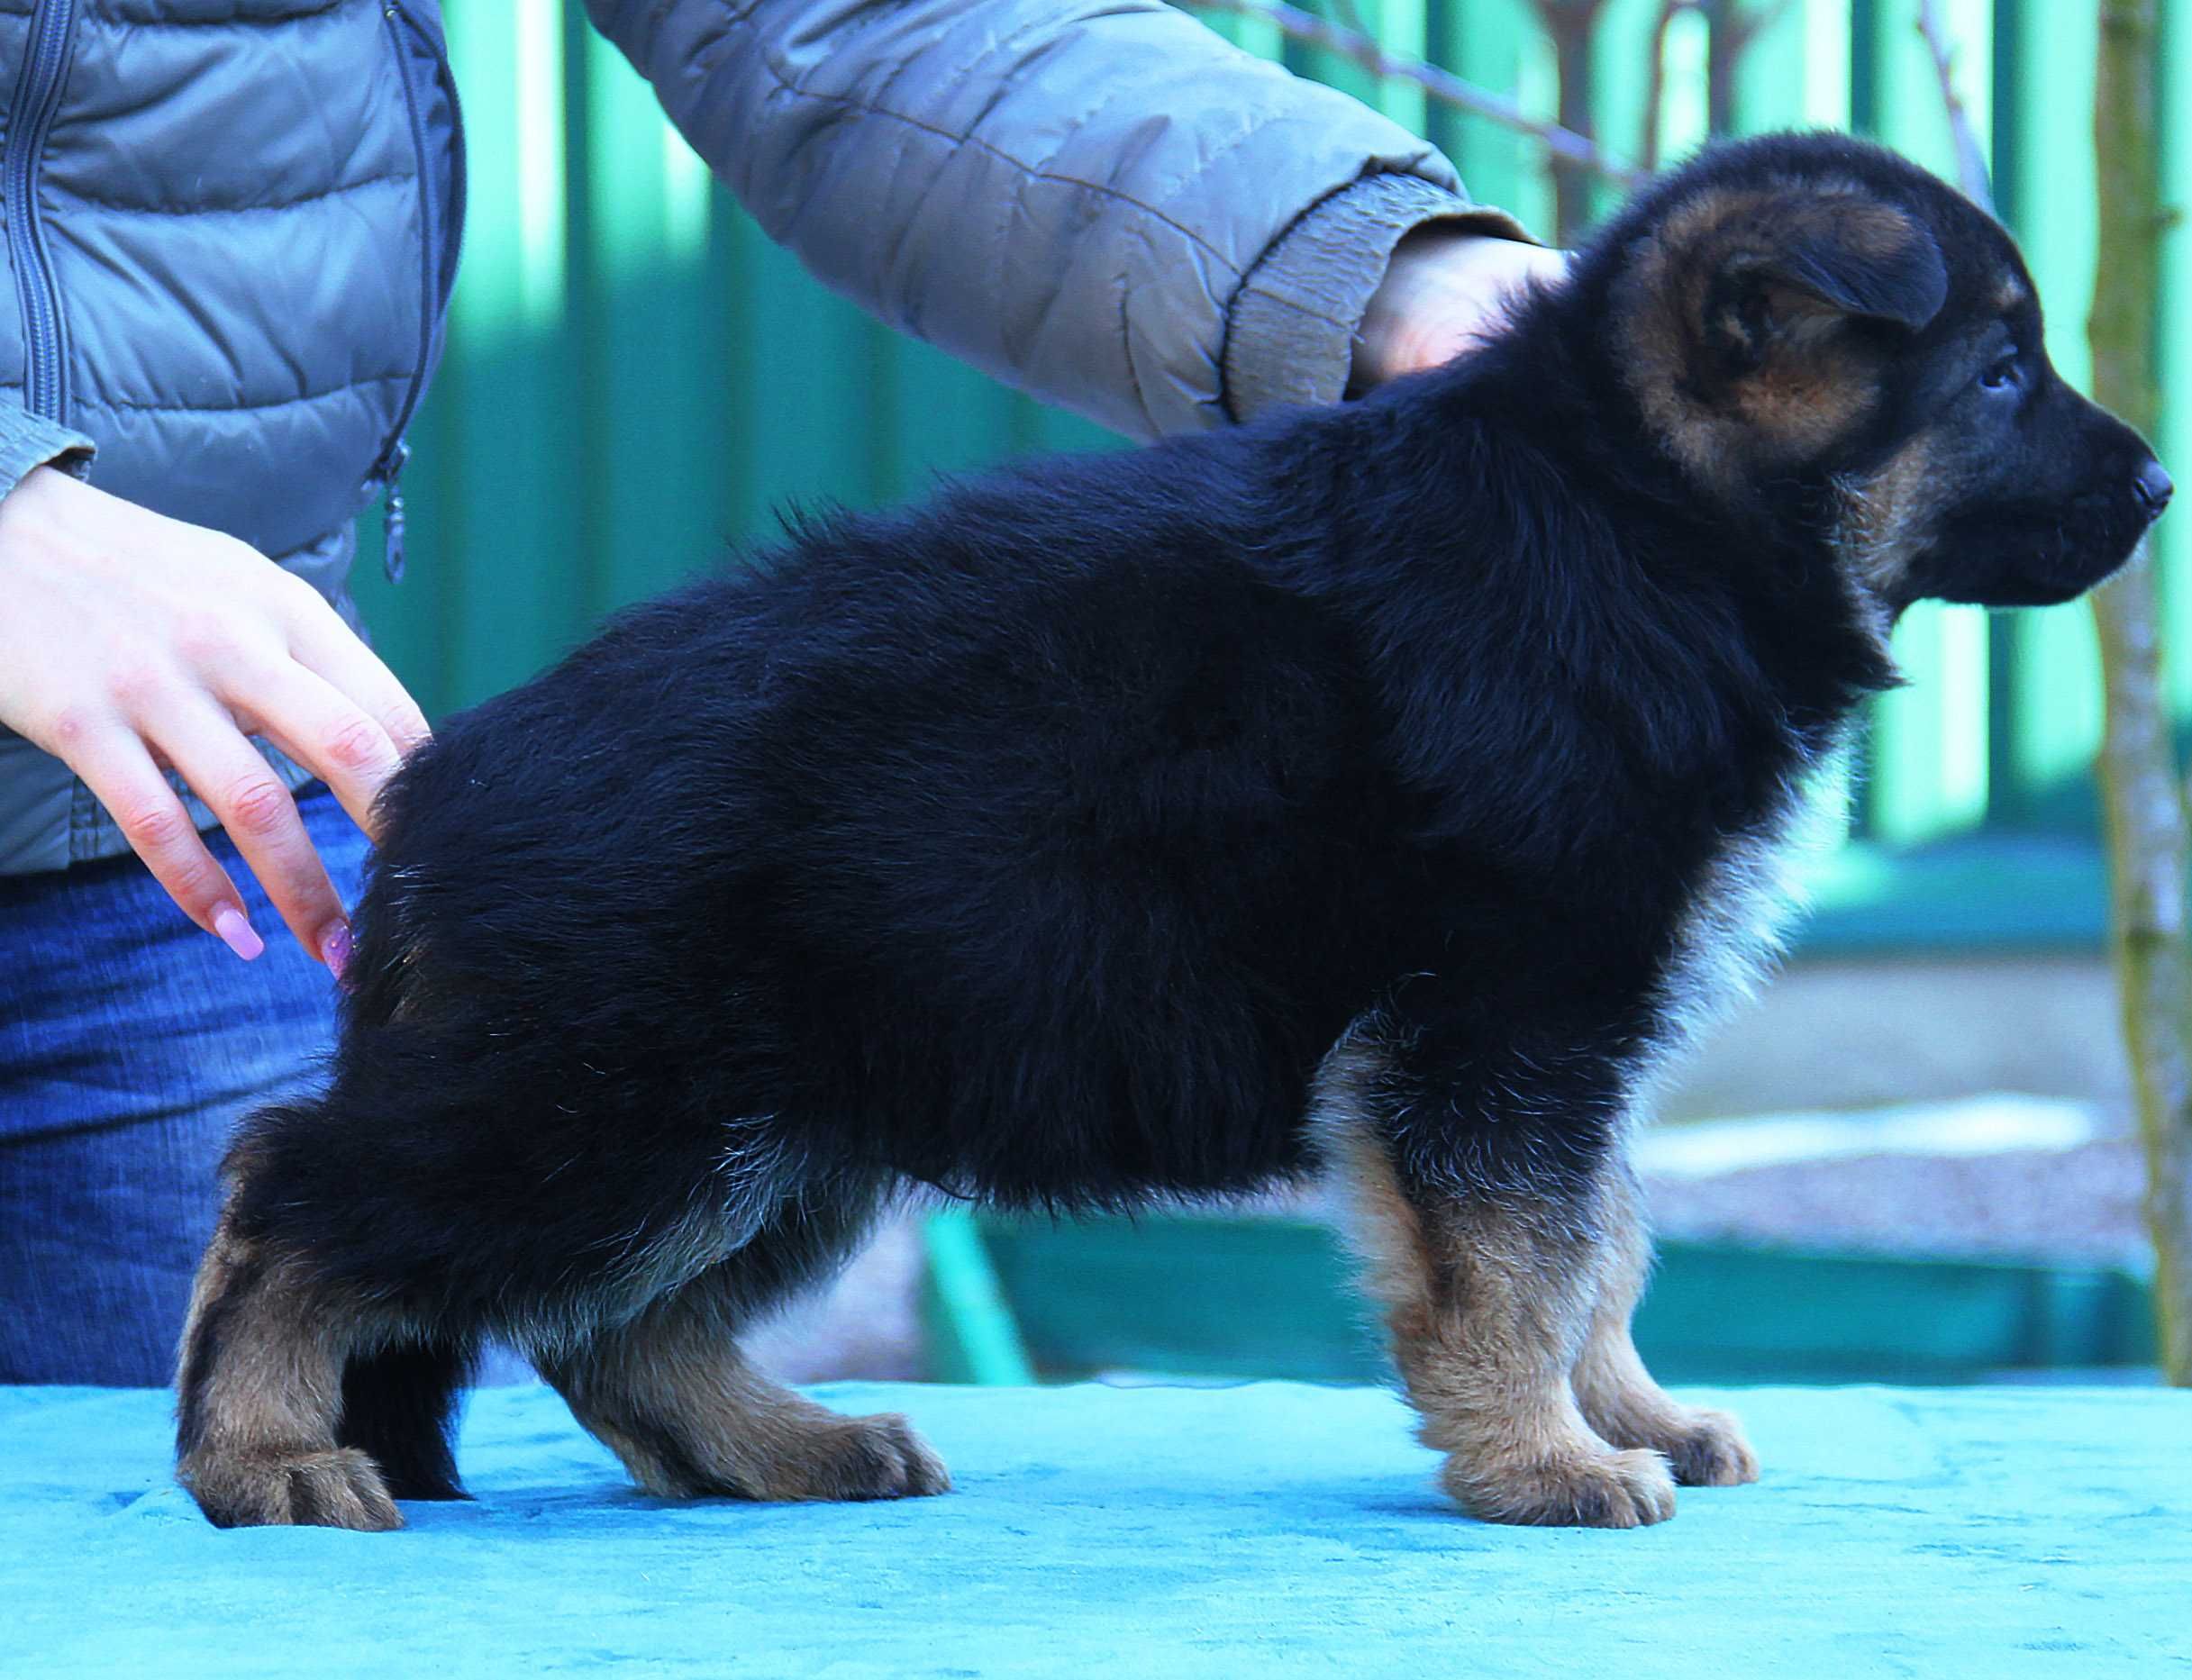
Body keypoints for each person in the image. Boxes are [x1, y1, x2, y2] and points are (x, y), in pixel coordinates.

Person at [0, 0, 1564, 1384]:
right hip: (143, 728)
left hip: (171, 835)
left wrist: (1370, 274)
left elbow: (855, 20)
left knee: (284, 1526)